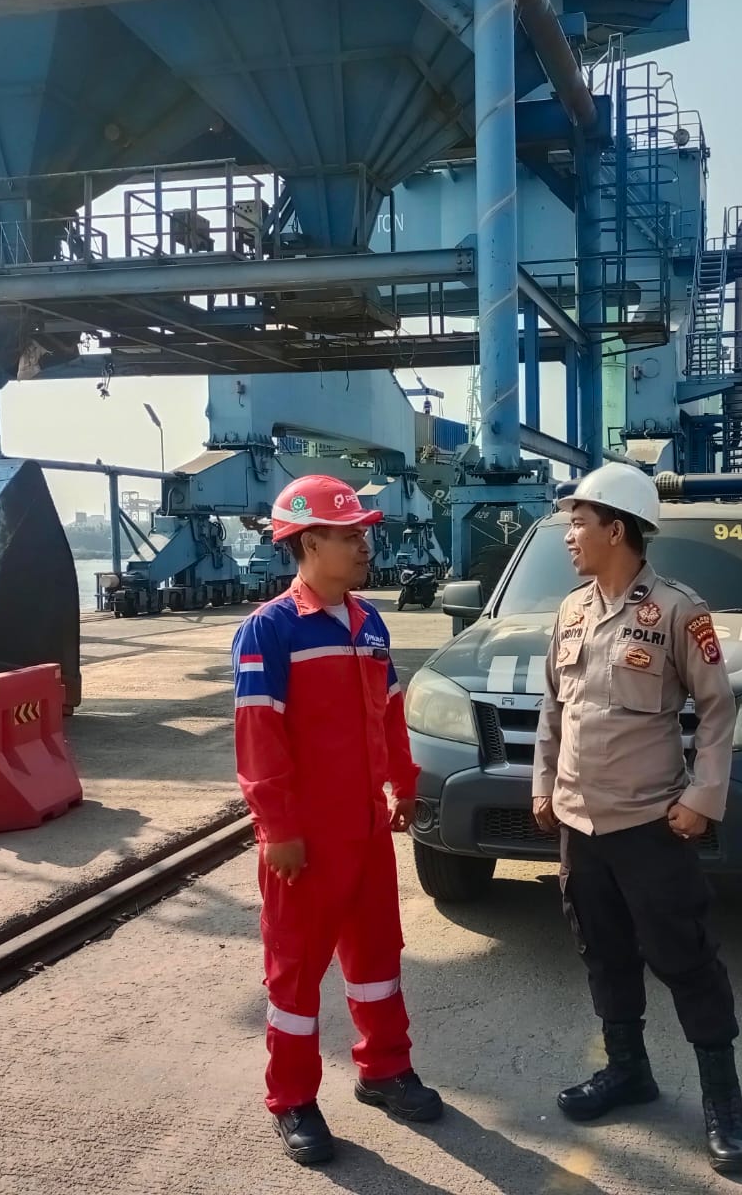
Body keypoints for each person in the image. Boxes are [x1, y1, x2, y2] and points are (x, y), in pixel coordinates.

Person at [532, 462, 742, 1175]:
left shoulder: (679, 611)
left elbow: (716, 709)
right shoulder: (570, 612)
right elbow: (553, 707)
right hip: (581, 823)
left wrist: (703, 797)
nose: (569, 535)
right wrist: (543, 785)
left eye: (579, 523)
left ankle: (723, 1102)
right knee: (602, 952)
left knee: (684, 957)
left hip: (648, 824)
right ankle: (628, 1071)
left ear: (616, 529)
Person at [232, 474, 442, 1166]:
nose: (363, 545)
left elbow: (389, 714)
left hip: (366, 827)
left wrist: (403, 784)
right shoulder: (270, 630)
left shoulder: (369, 622)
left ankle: (384, 1070)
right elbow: (259, 736)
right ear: (308, 542)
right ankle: (292, 1098)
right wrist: (277, 830)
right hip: (306, 836)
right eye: (349, 534)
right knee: (295, 971)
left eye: (363, 533)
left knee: (377, 955)